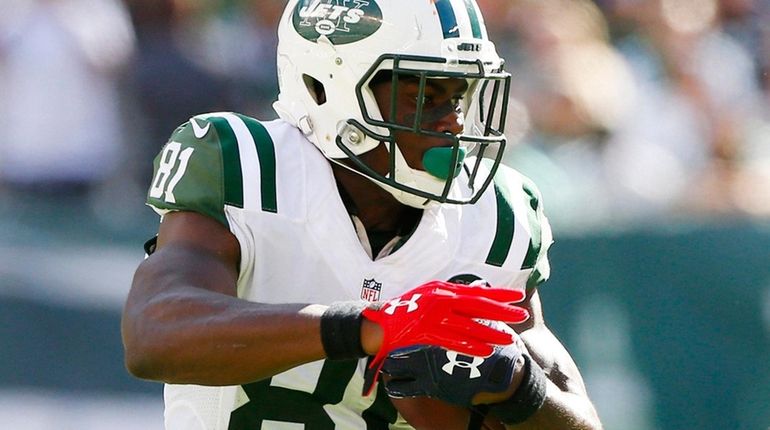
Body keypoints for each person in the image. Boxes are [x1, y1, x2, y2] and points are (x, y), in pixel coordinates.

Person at [121, 1, 602, 429]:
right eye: (423, 95)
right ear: (323, 86)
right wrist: (368, 326)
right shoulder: (247, 164)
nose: (453, 123)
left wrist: (517, 387)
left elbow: (577, 419)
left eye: (458, 96)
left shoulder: (495, 216)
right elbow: (153, 335)